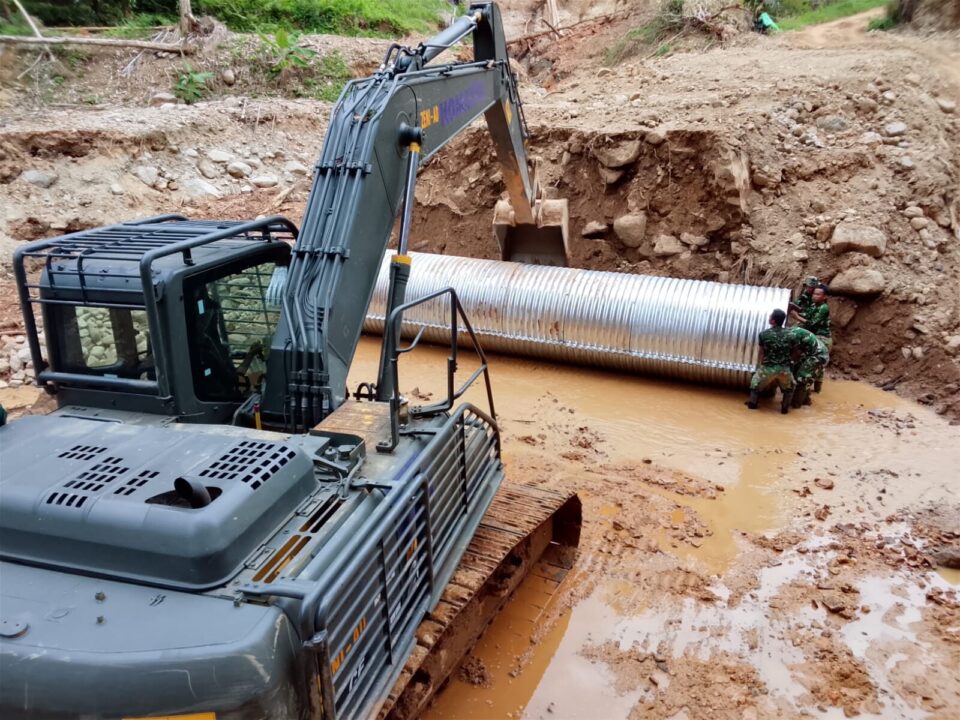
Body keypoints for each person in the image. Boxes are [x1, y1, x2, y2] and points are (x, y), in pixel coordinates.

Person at [746, 308, 795, 414]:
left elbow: (761, 352)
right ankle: (784, 409)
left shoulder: (764, 334)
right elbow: (794, 351)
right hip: (784, 369)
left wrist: (760, 366)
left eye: (770, 316)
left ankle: (752, 405)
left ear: (773, 321)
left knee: (755, 383)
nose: (769, 318)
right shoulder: (791, 335)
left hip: (769, 368)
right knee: (789, 388)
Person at [788, 326, 828, 407]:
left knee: (801, 378)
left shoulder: (793, 335)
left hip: (818, 355)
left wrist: (790, 363)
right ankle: (806, 401)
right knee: (803, 376)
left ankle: (796, 404)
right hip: (811, 353)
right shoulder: (791, 332)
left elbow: (796, 353)